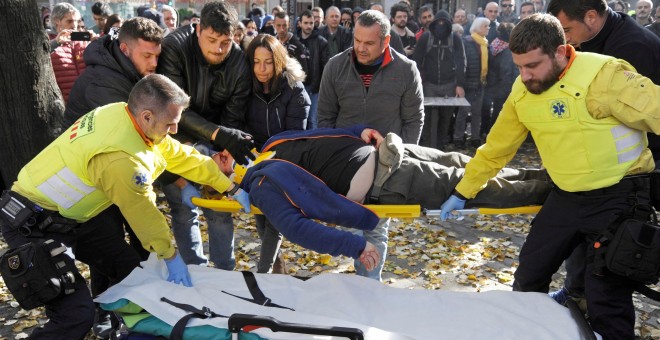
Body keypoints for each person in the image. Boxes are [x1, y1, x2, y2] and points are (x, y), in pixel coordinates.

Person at [439, 14, 660, 339]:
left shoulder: (604, 75)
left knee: (605, 299)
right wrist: (463, 190)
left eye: (532, 66)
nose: (525, 75)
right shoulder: (522, 91)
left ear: (560, 51)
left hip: (618, 197)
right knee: (529, 276)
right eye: (519, 67)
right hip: (567, 196)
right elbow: (497, 148)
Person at [0, 74, 249, 340]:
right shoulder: (122, 158)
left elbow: (183, 157)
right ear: (147, 117)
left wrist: (230, 186)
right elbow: (142, 213)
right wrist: (170, 255)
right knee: (76, 315)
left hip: (74, 217)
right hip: (32, 223)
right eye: (170, 124)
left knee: (134, 271)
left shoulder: (123, 115)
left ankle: (124, 325)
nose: (174, 130)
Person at [213, 125, 551, 276]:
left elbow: (327, 133)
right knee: (474, 186)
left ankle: (547, 176)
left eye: (222, 154)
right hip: (390, 179)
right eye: (217, 163)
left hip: (390, 150)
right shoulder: (261, 182)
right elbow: (297, 229)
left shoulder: (271, 146)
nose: (223, 156)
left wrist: (361, 130)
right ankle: (553, 189)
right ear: (224, 177)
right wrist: (355, 247)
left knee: (466, 165)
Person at [544, 0, 660, 308]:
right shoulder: (597, 37)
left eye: (566, 30)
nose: (565, 41)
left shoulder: (633, 48)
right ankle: (577, 291)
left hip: (641, 163)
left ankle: (598, 304)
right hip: (606, 160)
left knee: (612, 243)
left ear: (592, 17)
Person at [318, 10, 424, 280]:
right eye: (357, 40)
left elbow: (414, 118)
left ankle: (370, 285)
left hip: (386, 165)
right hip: (345, 163)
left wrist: (403, 157)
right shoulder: (335, 66)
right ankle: (361, 276)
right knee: (351, 225)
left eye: (369, 43)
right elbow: (325, 118)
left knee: (376, 228)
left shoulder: (406, 69)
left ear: (385, 41)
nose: (360, 48)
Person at [157, 1, 254, 270]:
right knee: (182, 206)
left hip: (215, 140)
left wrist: (223, 151)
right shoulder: (175, 47)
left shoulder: (238, 62)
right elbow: (174, 108)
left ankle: (224, 270)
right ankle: (194, 269)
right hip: (175, 137)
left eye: (225, 41)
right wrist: (216, 135)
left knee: (219, 207)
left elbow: (233, 118)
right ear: (197, 28)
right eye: (212, 40)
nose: (218, 49)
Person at [66, 17, 163, 124]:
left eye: (157, 56)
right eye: (147, 56)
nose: (154, 63)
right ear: (125, 49)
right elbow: (129, 129)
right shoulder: (103, 81)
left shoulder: (118, 67)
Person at [412, 9, 466, 149]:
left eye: (444, 23)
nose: (441, 25)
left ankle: (440, 147)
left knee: (445, 119)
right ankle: (428, 147)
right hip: (429, 85)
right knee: (427, 118)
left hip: (449, 84)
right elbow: (416, 61)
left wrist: (460, 85)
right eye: (439, 23)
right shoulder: (425, 38)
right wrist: (417, 84)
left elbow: (461, 62)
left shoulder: (455, 39)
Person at [245, 34, 310, 148]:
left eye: (269, 62)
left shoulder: (294, 88)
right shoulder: (243, 84)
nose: (262, 68)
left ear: (278, 62)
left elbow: (294, 136)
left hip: (282, 156)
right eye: (256, 61)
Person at [453, 17, 490, 149]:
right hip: (468, 84)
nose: (488, 28)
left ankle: (475, 137)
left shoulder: (485, 43)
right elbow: (461, 63)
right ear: (478, 27)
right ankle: (458, 137)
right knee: (463, 113)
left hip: (480, 84)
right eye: (486, 26)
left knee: (476, 113)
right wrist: (460, 84)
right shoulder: (467, 42)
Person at [48, 3, 91, 103]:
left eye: (76, 21)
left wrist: (96, 42)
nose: (74, 25)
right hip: (63, 105)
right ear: (57, 21)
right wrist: (56, 42)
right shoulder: (47, 40)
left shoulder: (82, 39)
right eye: (70, 21)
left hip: (88, 102)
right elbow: (41, 53)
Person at [483, 22, 518, 136]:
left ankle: (485, 131)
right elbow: (506, 72)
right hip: (501, 88)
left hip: (490, 85)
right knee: (498, 113)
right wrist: (508, 90)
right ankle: (494, 134)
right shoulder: (507, 50)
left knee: (488, 111)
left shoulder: (493, 45)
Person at [297, 9, 329, 130]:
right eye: (306, 23)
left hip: (315, 88)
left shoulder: (321, 42)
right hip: (298, 86)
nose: (309, 26)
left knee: (313, 120)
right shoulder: (295, 41)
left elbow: (326, 66)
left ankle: (314, 146)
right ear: (300, 23)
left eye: (311, 23)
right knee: (299, 119)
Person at [273, 11, 309, 77]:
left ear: (288, 25)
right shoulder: (271, 43)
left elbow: (304, 70)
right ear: (274, 25)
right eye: (278, 25)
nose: (282, 29)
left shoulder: (297, 45)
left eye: (284, 25)